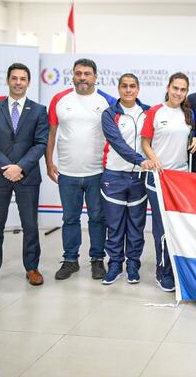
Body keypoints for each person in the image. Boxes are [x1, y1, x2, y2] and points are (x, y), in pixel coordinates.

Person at [0, 63, 49, 290]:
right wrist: (7, 167)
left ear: (28, 82)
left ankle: (32, 268)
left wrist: (20, 167)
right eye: (14, 78)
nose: (18, 82)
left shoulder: (38, 110)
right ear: (8, 80)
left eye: (23, 79)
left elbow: (40, 143)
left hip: (27, 176)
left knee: (29, 225)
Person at [45, 58, 116, 281]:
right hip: (67, 172)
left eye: (87, 73)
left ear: (96, 76)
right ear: (73, 76)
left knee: (97, 218)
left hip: (98, 172)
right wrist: (49, 163)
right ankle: (70, 260)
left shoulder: (107, 101)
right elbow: (51, 134)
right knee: (70, 218)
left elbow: (117, 135)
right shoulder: (59, 100)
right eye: (78, 73)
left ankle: (97, 259)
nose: (82, 77)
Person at [141, 72, 196, 292]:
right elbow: (145, 142)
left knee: (178, 226)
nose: (178, 93)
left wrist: (195, 139)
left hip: (181, 179)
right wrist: (154, 160)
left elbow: (190, 136)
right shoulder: (155, 111)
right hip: (158, 177)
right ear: (168, 87)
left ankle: (177, 269)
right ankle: (162, 271)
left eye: (183, 89)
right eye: (175, 88)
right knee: (162, 227)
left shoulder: (189, 113)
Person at [99, 73, 156, 285]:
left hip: (140, 178)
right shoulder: (109, 114)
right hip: (114, 175)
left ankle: (133, 264)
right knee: (114, 225)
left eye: (132, 86)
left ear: (138, 89)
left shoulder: (149, 112)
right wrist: (140, 160)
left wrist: (193, 135)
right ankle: (114, 264)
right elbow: (117, 143)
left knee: (136, 224)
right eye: (124, 86)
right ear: (119, 88)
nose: (128, 90)